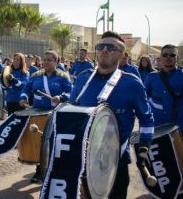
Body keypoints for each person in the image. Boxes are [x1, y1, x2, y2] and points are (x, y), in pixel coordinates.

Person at [69, 31, 154, 199]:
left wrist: (144, 147)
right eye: (101, 46)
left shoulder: (132, 83)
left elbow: (146, 119)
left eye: (110, 47)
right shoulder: (82, 79)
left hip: (117, 160)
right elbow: (72, 112)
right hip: (84, 160)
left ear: (122, 54)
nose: (104, 50)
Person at [20, 50, 72, 183]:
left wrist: (60, 97)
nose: (46, 62)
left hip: (56, 113)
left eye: (50, 60)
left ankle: (54, 170)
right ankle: (39, 171)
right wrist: (24, 98)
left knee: (54, 142)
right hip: (38, 112)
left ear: (56, 62)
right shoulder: (36, 75)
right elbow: (26, 88)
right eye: (45, 59)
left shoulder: (63, 76)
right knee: (39, 142)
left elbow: (71, 93)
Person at [145, 44, 183, 129]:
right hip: (156, 128)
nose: (168, 57)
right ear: (161, 58)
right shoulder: (151, 77)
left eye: (172, 55)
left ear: (177, 57)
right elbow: (143, 100)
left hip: (178, 129)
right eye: (165, 55)